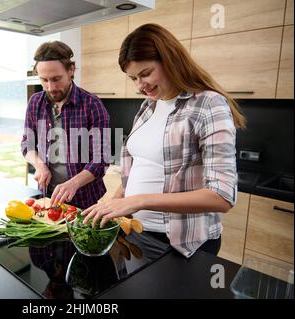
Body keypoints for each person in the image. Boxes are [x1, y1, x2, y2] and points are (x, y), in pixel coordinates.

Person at [82, 23, 246, 258]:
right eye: (133, 78)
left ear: (170, 60)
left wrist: (137, 201)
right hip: (137, 234)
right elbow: (140, 166)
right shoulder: (148, 106)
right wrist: (112, 205)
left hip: (181, 245)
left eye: (146, 73)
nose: (140, 85)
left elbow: (222, 197)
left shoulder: (208, 104)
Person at [21, 41, 110, 209]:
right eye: (44, 80)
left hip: (84, 199)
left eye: (56, 79)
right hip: (47, 196)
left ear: (71, 70)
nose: (51, 87)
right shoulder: (35, 102)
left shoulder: (92, 104)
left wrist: (73, 183)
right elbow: (27, 144)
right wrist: (39, 165)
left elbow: (101, 159)